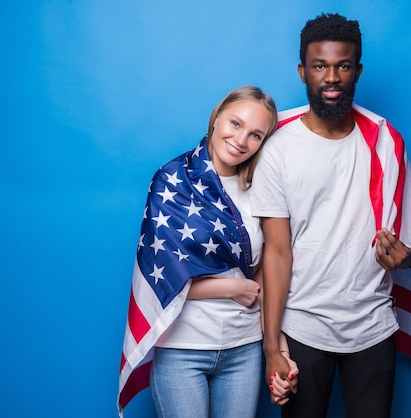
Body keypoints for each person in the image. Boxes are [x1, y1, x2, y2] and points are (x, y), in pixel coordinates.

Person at [250, 13, 411, 418]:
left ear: (357, 70)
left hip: (373, 324)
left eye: (342, 65)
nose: (332, 77)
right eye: (320, 66)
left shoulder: (385, 141)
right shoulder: (278, 147)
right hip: (303, 324)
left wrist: (403, 257)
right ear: (303, 71)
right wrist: (272, 347)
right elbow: (277, 251)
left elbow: (410, 240)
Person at [117, 86, 296, 418]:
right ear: (216, 119)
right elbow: (160, 278)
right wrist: (232, 288)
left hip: (244, 349)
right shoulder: (171, 180)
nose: (241, 140)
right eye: (235, 123)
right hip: (183, 349)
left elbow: (266, 264)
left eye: (256, 135)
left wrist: (277, 342)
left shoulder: (262, 187)